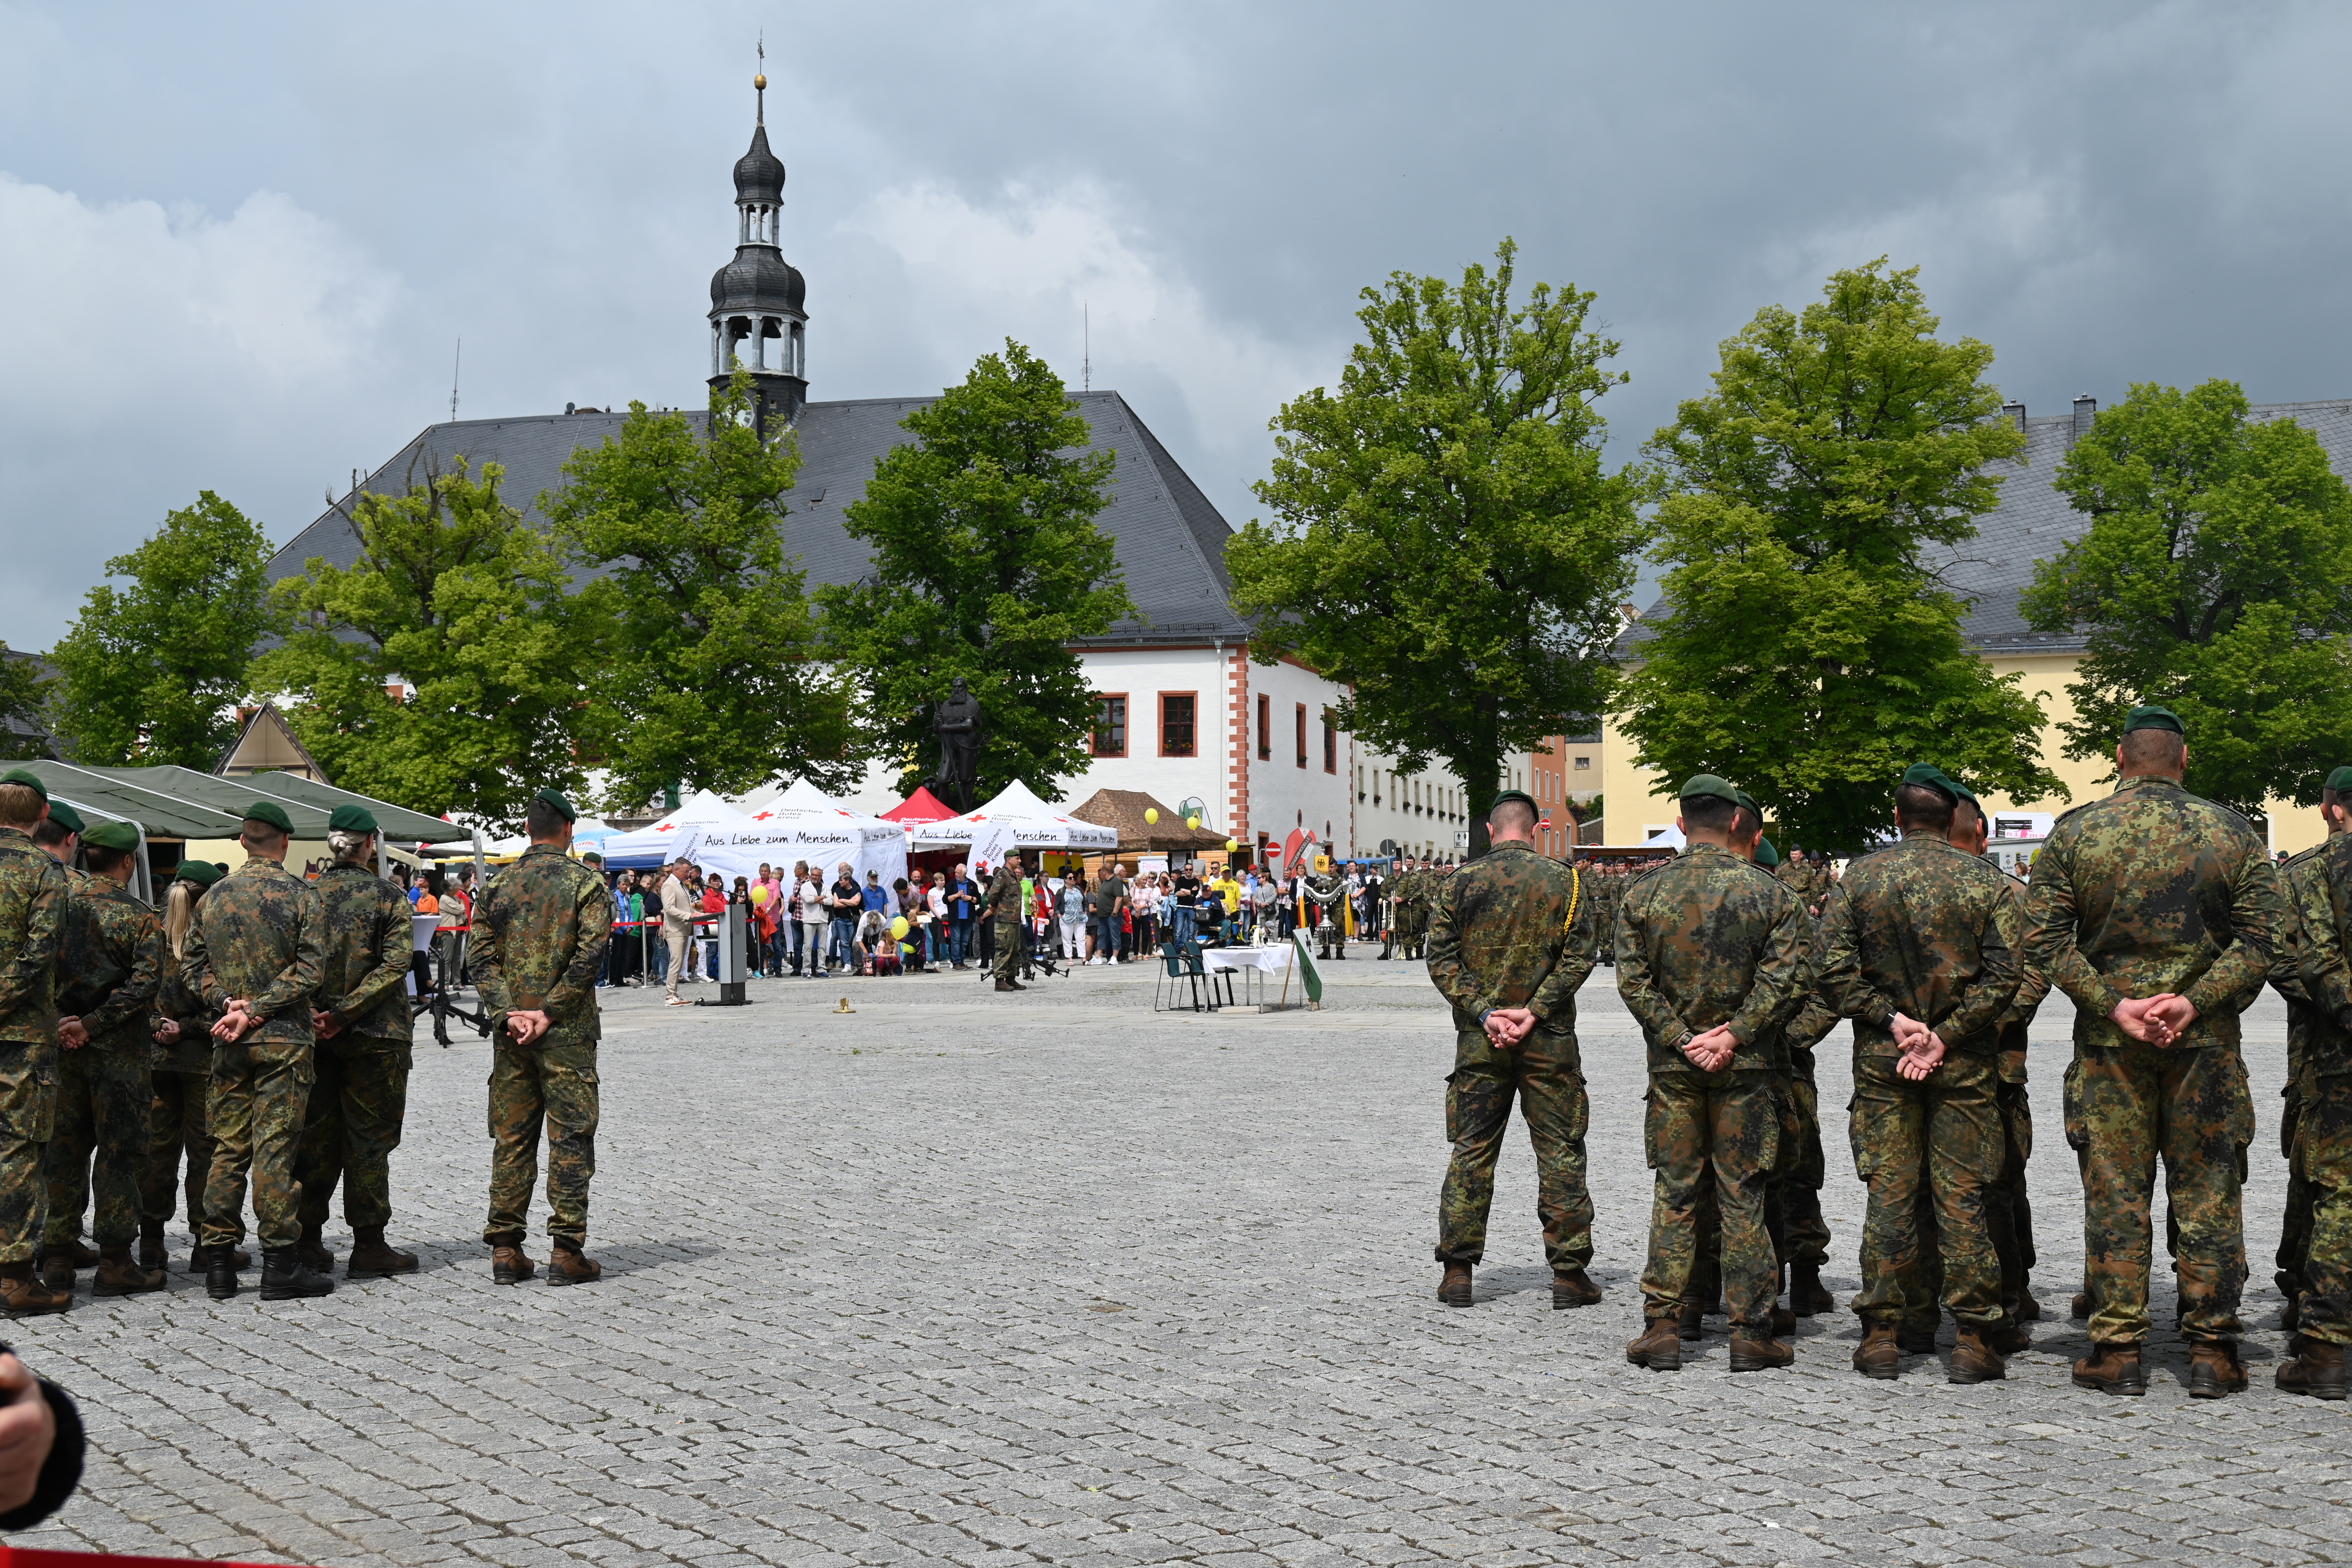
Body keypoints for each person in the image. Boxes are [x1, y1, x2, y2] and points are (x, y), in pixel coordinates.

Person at [2025, 706, 2282, 1399]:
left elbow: (2043, 939)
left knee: (2117, 1192)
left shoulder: (2076, 832)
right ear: (2184, 758)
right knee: (2209, 1192)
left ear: (2120, 757)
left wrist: (2114, 1004)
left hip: (2112, 1047)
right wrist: (2195, 1000)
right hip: (2205, 1045)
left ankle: (2117, 1350)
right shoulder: (2232, 832)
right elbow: (2265, 939)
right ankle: (2213, 1350)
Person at [1819, 765, 2023, 1383]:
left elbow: (1830, 971)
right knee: (1962, 1197)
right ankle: (1973, 1338)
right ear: (1952, 817)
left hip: (1886, 1061)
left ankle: (1883, 1333)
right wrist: (1946, 1033)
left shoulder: (1861, 878)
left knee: (1891, 1193)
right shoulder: (1984, 880)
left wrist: (1893, 1019)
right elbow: (2006, 975)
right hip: (1962, 1064)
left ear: (1898, 816)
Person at [1618, 776, 1810, 1374]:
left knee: (1676, 1191)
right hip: (1746, 1069)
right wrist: (1733, 1034)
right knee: (1743, 1192)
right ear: (1734, 822)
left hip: (1675, 1068)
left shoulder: (1643, 893)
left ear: (1681, 823)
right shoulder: (1772, 895)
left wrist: (1681, 1037)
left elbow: (1633, 982)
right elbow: (1786, 981)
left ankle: (1664, 1325)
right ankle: (1750, 1331)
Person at [1428, 791, 1606, 1312]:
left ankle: (1458, 1271)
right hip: (1547, 1040)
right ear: (1534, 829)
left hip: (1481, 1041)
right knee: (1560, 1151)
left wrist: (1485, 1012)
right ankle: (1569, 1274)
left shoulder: (1460, 882)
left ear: (1490, 829)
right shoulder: (1567, 881)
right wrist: (1535, 1010)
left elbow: (1440, 957)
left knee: (1472, 1150)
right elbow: (1581, 955)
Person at [185, 800, 332, 1303]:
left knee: (227, 1149)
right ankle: (280, 1265)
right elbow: (311, 971)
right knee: (275, 1148)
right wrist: (259, 1009)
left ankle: (218, 1264)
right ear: (285, 842)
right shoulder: (302, 895)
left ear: (244, 841)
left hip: (230, 1039)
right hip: (283, 1040)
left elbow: (192, 967)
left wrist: (230, 1004)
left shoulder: (213, 897)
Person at [472, 789, 612, 1287]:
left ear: (529, 830)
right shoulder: (586, 883)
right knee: (570, 1137)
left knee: (512, 1137)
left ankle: (506, 1249)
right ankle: (566, 1251)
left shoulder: (496, 886)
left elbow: (479, 959)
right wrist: (549, 1012)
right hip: (566, 1034)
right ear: (569, 830)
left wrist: (509, 1013)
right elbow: (591, 955)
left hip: (513, 1036)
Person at [292, 805, 420, 1281]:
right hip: (376, 1035)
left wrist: (318, 1013)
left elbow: (289, 963)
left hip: (313, 1033)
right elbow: (396, 964)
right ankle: (368, 1245)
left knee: (314, 1138)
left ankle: (306, 1241)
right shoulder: (388, 897)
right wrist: (346, 1013)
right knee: (369, 1140)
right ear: (369, 845)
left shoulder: (305, 895)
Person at [40, 816, 163, 1298]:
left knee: (62, 1154)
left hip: (63, 1050)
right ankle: (115, 1263)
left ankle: (57, 1258)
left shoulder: (58, 907)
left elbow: (34, 970)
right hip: (119, 1058)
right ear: (129, 861)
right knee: (120, 1155)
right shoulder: (140, 916)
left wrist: (63, 1023)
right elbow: (144, 987)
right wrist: (92, 1024)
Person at [2274, 766, 2352, 1397]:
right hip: (2328, 1055)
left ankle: (2325, 1345)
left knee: (2338, 1194)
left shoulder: (2311, 871)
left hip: (2336, 1054)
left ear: (2333, 809)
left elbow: (2304, 958)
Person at [146, 860, 230, 1277]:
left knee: (156, 1154)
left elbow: (133, 993)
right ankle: (205, 1246)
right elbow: (226, 1004)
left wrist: (159, 1025)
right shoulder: (214, 943)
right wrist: (189, 1028)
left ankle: (150, 1245)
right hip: (201, 1063)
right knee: (205, 1156)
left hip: (157, 1060)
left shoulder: (151, 937)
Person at [987, 851, 1027, 993]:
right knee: (1003, 950)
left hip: (1014, 920)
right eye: (1017, 858)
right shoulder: (1002, 875)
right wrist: (998, 907)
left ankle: (1010, 978)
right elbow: (992, 895)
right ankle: (999, 981)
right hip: (1004, 920)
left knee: (1015, 951)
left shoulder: (1013, 875)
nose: (1020, 861)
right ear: (1009, 860)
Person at [1092, 864, 1128, 964]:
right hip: (1103, 915)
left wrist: (1115, 912)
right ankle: (1098, 956)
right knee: (1101, 935)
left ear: (1105, 872)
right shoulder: (1105, 882)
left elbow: (1119, 897)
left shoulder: (1116, 881)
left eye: (1101, 872)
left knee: (1115, 935)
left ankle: (1114, 957)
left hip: (1112, 915)